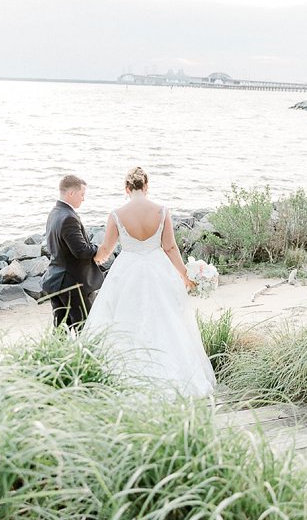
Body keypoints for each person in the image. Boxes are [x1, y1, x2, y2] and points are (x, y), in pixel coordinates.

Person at [82, 167, 216, 397]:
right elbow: (170, 247)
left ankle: (122, 379)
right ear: (146, 186)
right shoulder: (161, 211)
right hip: (158, 269)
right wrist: (186, 274)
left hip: (127, 271)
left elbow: (106, 249)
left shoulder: (116, 214)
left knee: (124, 320)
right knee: (167, 320)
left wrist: (91, 259)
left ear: (126, 189)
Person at [42, 174, 104, 330]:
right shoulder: (69, 218)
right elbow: (81, 251)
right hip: (70, 283)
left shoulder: (54, 213)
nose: (83, 199)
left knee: (61, 329)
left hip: (55, 279)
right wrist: (98, 249)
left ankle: (56, 355)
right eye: (82, 194)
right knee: (84, 327)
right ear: (71, 193)